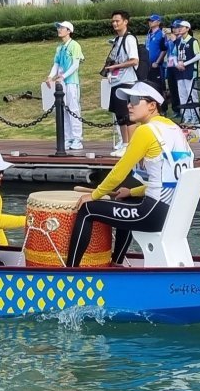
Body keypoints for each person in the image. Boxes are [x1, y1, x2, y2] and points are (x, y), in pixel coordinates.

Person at [67, 83, 192, 267]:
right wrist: (132, 192)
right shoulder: (175, 130)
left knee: (87, 210)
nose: (128, 105)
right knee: (125, 201)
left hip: (154, 213)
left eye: (134, 100)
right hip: (173, 213)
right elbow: (170, 181)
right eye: (128, 100)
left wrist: (94, 195)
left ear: (152, 105)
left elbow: (119, 172)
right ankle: (116, 264)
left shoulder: (146, 131)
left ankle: (69, 272)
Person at [102, 10, 139, 155]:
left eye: (117, 21)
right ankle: (125, 143)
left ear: (125, 21)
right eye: (113, 21)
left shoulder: (129, 39)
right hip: (117, 81)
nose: (115, 24)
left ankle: (131, 145)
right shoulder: (117, 40)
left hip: (127, 81)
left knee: (128, 115)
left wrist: (116, 66)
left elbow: (134, 60)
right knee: (119, 115)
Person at [45, 21, 85, 151]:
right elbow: (56, 64)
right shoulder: (59, 48)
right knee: (63, 110)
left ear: (69, 31)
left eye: (62, 28)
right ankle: (68, 138)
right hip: (61, 83)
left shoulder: (74, 45)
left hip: (71, 82)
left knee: (73, 109)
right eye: (59, 28)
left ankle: (77, 139)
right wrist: (50, 76)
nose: (59, 30)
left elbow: (75, 64)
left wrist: (64, 76)